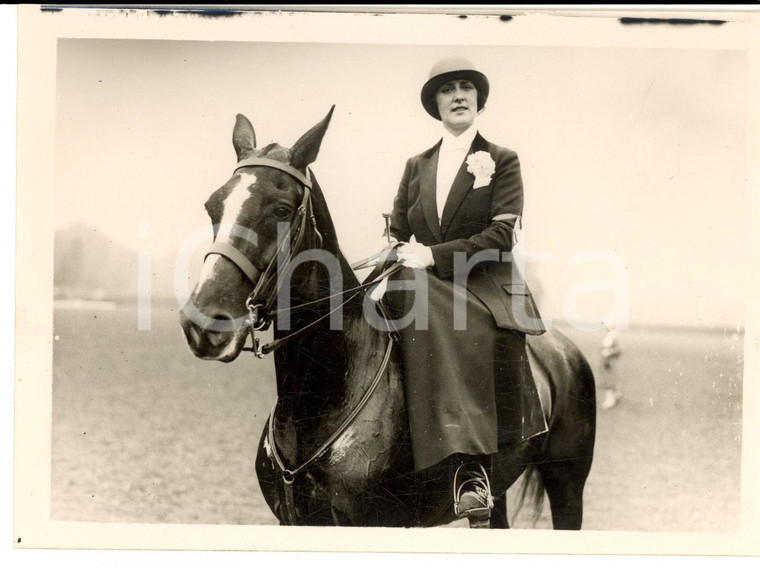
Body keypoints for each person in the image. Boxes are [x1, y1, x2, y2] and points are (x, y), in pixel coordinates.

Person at [381, 56, 548, 523]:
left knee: (431, 303)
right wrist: (396, 251)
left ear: (477, 99)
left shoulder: (502, 160)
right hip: (419, 279)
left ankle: (470, 469)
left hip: (482, 283)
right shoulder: (416, 165)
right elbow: (396, 229)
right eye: (447, 89)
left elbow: (500, 237)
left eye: (465, 88)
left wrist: (433, 256)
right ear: (435, 103)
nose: (458, 95)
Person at [599, 321, 622, 409]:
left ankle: (610, 400)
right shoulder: (606, 337)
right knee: (607, 379)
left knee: (610, 380)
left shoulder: (614, 337)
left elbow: (619, 350)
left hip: (611, 362)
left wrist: (609, 352)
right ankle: (615, 395)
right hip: (605, 362)